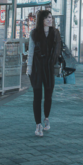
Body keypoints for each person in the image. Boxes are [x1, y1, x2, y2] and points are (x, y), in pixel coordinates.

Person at [26, 9, 61, 137]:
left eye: (50, 17)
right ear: (41, 20)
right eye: (47, 18)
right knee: (37, 96)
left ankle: (46, 117)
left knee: (48, 95)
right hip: (37, 67)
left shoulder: (55, 33)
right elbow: (30, 52)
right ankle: (38, 125)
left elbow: (58, 50)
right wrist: (29, 68)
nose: (49, 20)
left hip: (49, 67)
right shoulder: (34, 33)